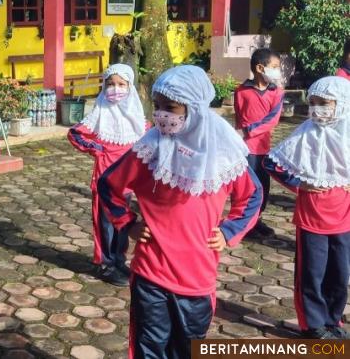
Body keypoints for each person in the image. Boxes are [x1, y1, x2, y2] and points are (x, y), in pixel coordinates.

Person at [98, 65, 262, 358]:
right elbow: (108, 185)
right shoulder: (149, 151)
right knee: (150, 348)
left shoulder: (224, 154)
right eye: (158, 107)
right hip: (151, 274)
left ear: (196, 108)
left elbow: (252, 196)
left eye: (170, 108)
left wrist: (228, 231)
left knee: (187, 349)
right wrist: (127, 223)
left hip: (198, 279)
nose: (162, 115)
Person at [263, 76, 350, 340]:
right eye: (312, 103)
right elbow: (272, 163)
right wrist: (299, 185)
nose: (316, 109)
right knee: (312, 273)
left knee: (339, 273)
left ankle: (331, 320)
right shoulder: (306, 133)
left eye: (323, 103)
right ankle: (313, 326)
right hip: (312, 216)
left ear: (342, 104)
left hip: (343, 218)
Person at [67, 64, 147, 287]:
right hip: (105, 181)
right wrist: (97, 150)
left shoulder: (137, 118)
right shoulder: (99, 115)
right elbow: (75, 134)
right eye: (111, 84)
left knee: (124, 222)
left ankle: (119, 260)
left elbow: (147, 139)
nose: (116, 89)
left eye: (122, 84)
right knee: (105, 224)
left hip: (128, 183)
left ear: (130, 87)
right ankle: (105, 264)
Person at [233, 48, 285, 238]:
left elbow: (272, 119)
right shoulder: (241, 91)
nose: (277, 71)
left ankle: (257, 220)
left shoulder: (277, 93)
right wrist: (240, 137)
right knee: (245, 186)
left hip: (263, 149)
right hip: (245, 149)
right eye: (274, 67)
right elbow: (240, 116)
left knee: (263, 186)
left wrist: (249, 130)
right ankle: (243, 221)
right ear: (259, 68)